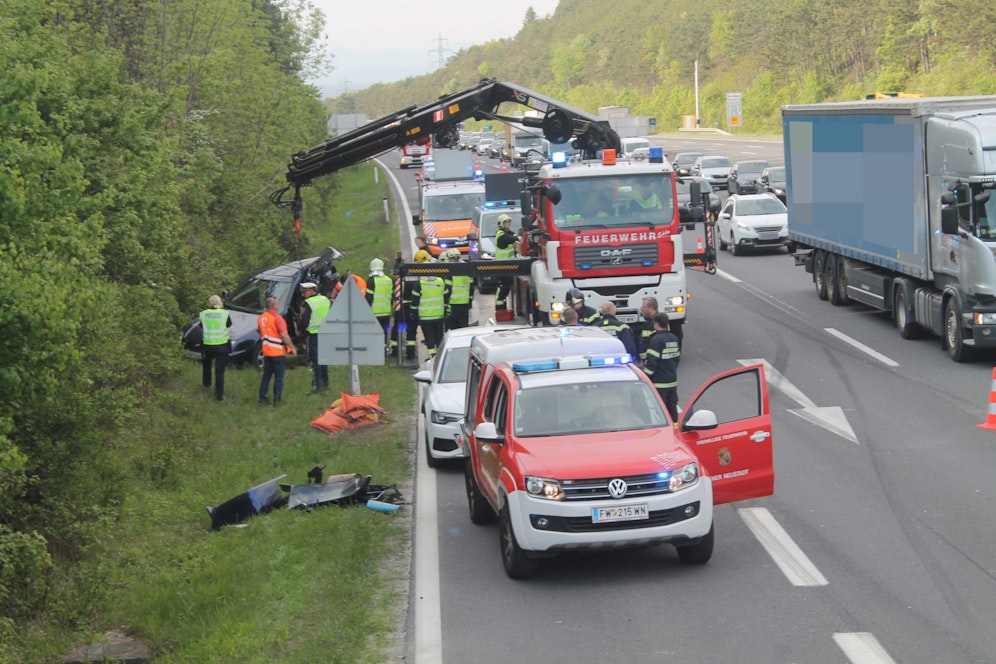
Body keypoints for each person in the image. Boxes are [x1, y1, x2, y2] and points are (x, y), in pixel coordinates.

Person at [258, 296, 297, 405]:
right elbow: (284, 335)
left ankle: (262, 398)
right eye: (277, 304)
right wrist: (292, 348)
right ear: (274, 305)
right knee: (279, 377)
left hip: (266, 351)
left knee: (266, 375)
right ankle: (277, 399)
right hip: (278, 352)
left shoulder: (261, 318)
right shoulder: (277, 318)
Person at [643, 312, 681, 422]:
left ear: (656, 324)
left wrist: (646, 378)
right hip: (672, 380)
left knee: (661, 410)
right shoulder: (674, 338)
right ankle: (674, 428)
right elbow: (676, 359)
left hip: (659, 382)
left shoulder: (655, 340)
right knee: (672, 407)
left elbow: (652, 363)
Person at [411, 253, 447, 359]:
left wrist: (414, 315)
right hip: (439, 316)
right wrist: (445, 311)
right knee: (439, 337)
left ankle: (432, 357)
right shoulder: (440, 281)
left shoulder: (419, 284)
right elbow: (446, 296)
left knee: (429, 338)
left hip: (425, 317)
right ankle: (440, 357)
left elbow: (414, 302)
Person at [299, 282, 331, 394]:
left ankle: (317, 386)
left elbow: (304, 321)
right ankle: (326, 383)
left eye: (305, 291)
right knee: (324, 360)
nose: (303, 294)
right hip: (326, 334)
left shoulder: (308, 303)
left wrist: (301, 331)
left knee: (316, 361)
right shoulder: (325, 299)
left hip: (314, 334)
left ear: (312, 290)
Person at [199, 295, 232, 401]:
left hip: (207, 344)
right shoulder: (224, 314)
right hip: (221, 345)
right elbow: (229, 324)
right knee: (219, 371)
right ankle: (219, 396)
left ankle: (206, 384)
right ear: (220, 303)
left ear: (209, 303)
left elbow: (201, 326)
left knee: (207, 365)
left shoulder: (203, 314)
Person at [366, 258, 394, 355]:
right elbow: (391, 296)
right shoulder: (388, 280)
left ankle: (376, 352)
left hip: (374, 312)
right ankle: (383, 351)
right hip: (386, 311)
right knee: (384, 332)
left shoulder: (371, 281)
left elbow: (369, 297)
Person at [442, 249, 474, 330]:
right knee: (463, 329)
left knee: (451, 330)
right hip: (465, 304)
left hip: (452, 305)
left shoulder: (450, 272)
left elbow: (447, 291)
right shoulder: (467, 270)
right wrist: (470, 301)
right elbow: (471, 288)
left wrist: (445, 305)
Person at [494, 214, 517, 311]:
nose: (509, 223)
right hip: (502, 267)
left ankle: (503, 308)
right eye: (506, 222)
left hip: (508, 267)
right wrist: (517, 237)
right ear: (501, 224)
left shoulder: (509, 233)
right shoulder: (501, 235)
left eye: (509, 221)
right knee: (502, 289)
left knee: (506, 288)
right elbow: (509, 239)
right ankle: (500, 309)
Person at [637, 296, 659, 364]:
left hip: (651, 362)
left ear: (651, 309)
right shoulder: (649, 322)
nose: (641, 309)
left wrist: (647, 360)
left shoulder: (656, 323)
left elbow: (656, 345)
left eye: (644, 307)